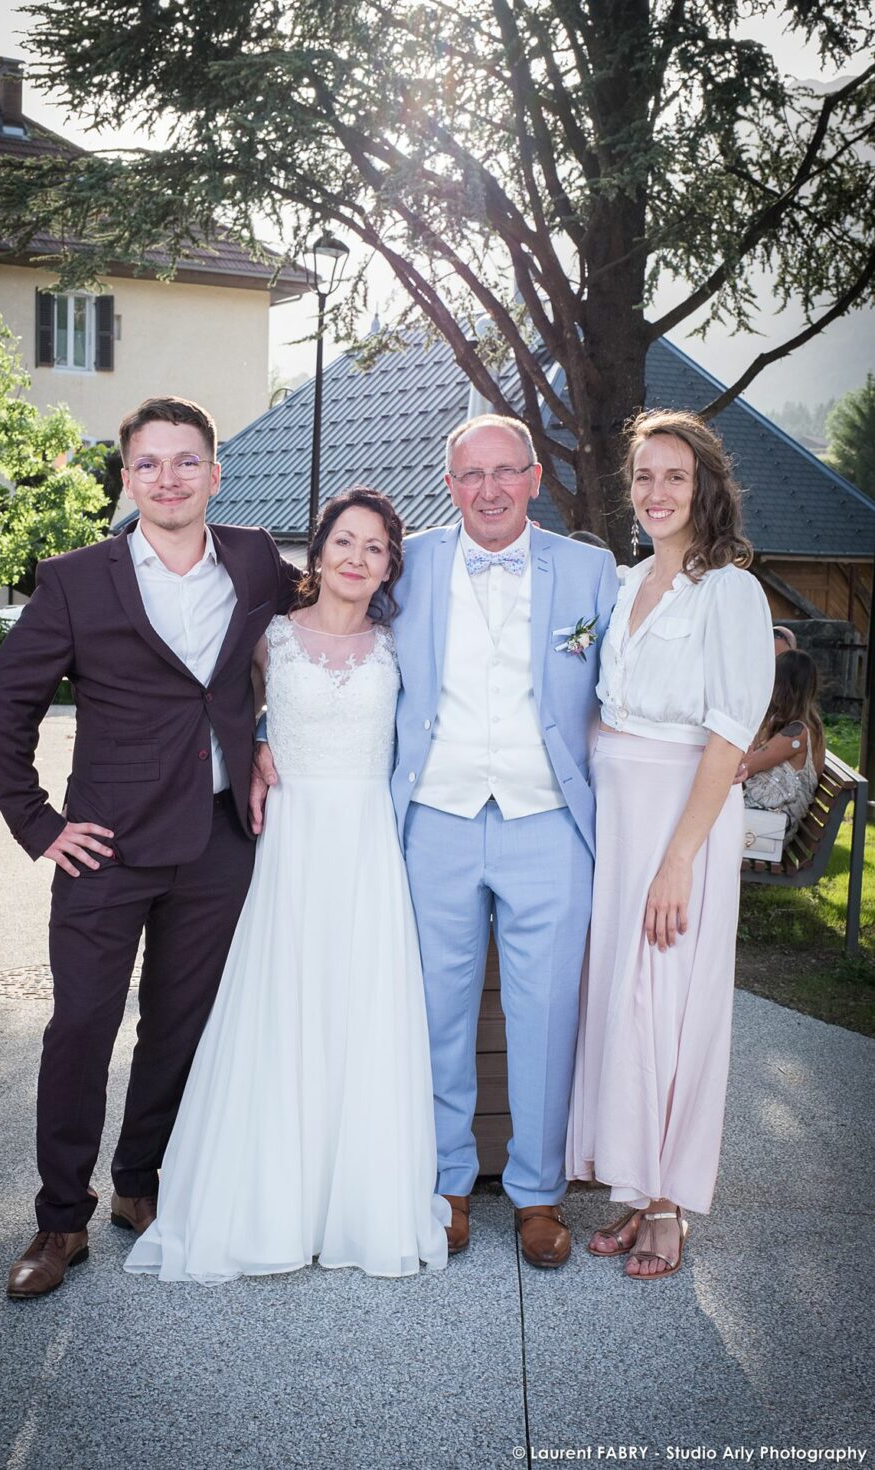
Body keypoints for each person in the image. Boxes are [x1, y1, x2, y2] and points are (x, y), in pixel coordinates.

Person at [0, 395, 298, 1299]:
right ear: (127, 479)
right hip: (105, 847)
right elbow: (5, 704)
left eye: (187, 460)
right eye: (149, 463)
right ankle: (59, 1219)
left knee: (179, 1025)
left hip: (219, 839)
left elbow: (314, 632)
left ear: (215, 473)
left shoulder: (255, 559)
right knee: (82, 1025)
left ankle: (139, 1183)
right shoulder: (77, 580)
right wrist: (39, 824)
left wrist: (264, 735)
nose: (169, 478)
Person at [125, 488, 449, 1281]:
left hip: (367, 846)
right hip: (290, 842)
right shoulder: (270, 636)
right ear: (319, 549)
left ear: (390, 566)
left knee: (359, 1010)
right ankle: (272, 1198)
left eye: (375, 547)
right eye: (344, 540)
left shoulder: (400, 645)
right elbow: (219, 711)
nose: (356, 557)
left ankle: (355, 1200)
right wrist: (258, 747)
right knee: (281, 1002)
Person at [390, 414, 619, 1268]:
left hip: (549, 822)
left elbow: (628, 680)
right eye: (470, 475)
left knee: (547, 1012)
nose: (488, 490)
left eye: (504, 472)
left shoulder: (591, 571)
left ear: (533, 479)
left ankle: (538, 1193)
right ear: (449, 485)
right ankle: (447, 1182)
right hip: (436, 819)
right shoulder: (408, 562)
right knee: (436, 1011)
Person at [567, 408, 775, 1281]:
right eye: (645, 476)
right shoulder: (623, 585)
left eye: (676, 477)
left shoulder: (729, 592)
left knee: (666, 1000)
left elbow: (729, 734)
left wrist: (679, 859)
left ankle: (667, 1206)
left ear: (705, 489)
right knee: (619, 999)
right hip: (616, 820)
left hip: (679, 820)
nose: (657, 492)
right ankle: (633, 1184)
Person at [743, 649, 825, 841]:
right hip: (767, 821)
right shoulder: (808, 724)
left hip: (769, 829)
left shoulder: (796, 734)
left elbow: (745, 767)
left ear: (782, 685)